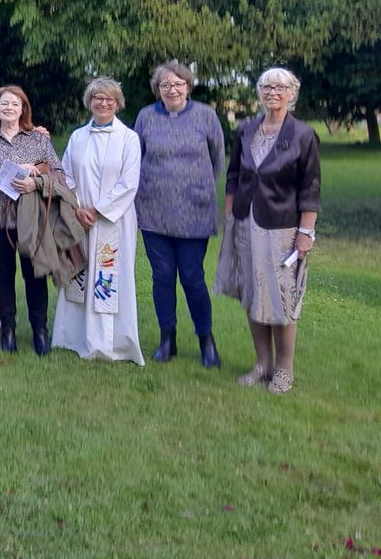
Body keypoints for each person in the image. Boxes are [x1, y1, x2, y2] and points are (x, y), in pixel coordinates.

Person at [215, 67, 320, 395]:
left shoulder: (303, 134)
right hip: (246, 223)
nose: (272, 92)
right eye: (266, 87)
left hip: (282, 228)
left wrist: (307, 233)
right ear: (259, 93)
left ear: (292, 93)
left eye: (280, 87)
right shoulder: (246, 129)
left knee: (281, 298)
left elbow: (311, 187)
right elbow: (233, 175)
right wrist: (230, 213)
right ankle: (262, 364)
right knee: (252, 294)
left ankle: (284, 370)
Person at [134, 60, 225, 368]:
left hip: (194, 213)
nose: (172, 90)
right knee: (161, 277)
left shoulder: (206, 115)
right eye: (165, 85)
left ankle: (206, 340)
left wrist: (193, 185)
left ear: (188, 86)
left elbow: (217, 161)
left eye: (177, 84)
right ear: (158, 89)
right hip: (153, 212)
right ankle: (167, 339)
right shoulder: (146, 117)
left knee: (192, 278)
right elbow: (137, 159)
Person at [53, 78, 144, 364]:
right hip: (79, 220)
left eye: (110, 99)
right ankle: (75, 337)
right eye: (98, 98)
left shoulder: (129, 138)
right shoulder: (78, 137)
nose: (103, 103)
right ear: (89, 101)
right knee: (79, 273)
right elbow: (65, 175)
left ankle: (110, 343)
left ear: (118, 103)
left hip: (112, 222)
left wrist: (99, 210)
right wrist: (78, 208)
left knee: (108, 279)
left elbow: (129, 183)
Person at [0, 85, 62, 355]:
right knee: (1, 276)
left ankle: (40, 332)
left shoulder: (38, 139)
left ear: (24, 109)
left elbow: (59, 174)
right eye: (3, 104)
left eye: (14, 104)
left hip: (31, 219)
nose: (9, 108)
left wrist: (35, 183)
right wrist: (11, 168)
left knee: (35, 275)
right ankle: (7, 330)